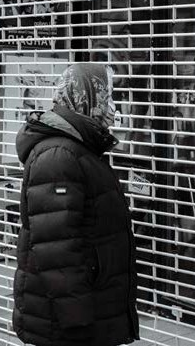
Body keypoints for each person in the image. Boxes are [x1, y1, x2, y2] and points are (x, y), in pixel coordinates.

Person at [12, 63, 140, 346]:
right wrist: (77, 320)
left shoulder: (79, 147)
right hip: (67, 325)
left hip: (83, 313)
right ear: (87, 97)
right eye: (107, 96)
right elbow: (57, 250)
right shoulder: (59, 155)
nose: (113, 107)